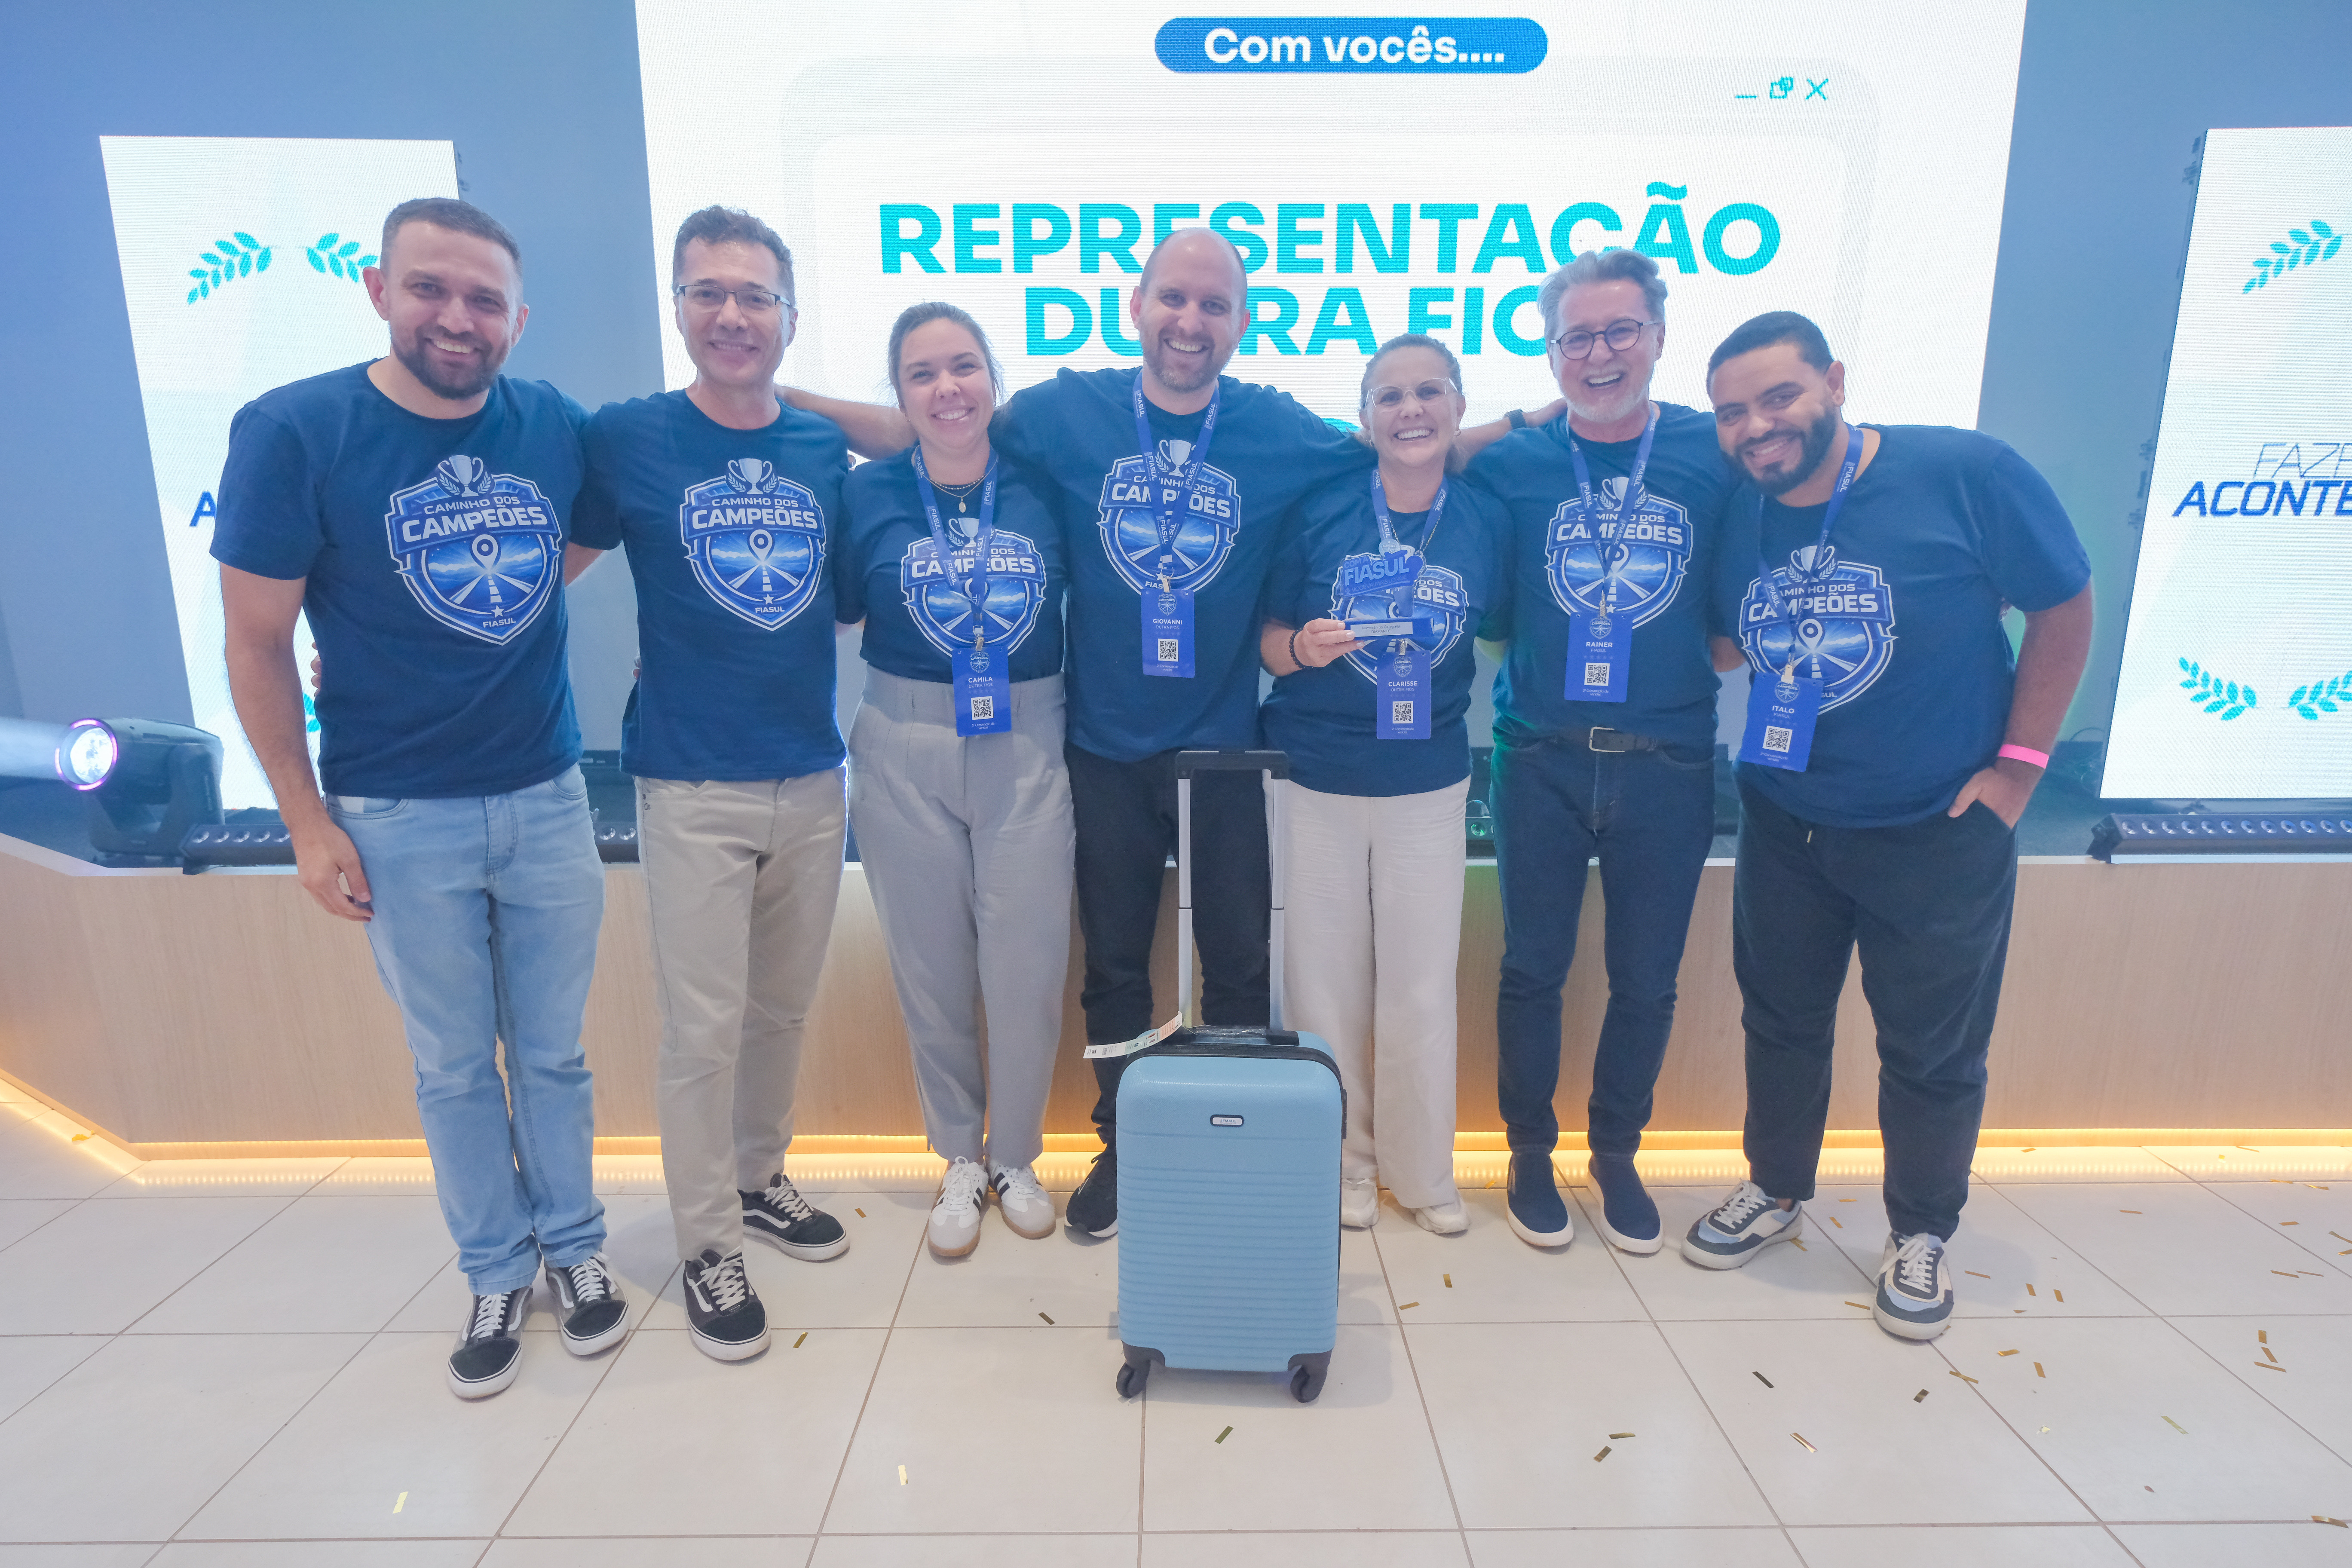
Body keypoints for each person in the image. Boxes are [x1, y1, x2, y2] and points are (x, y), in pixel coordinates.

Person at [791, 229, 1539, 1237]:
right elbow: (935, 425)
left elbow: (1409, 444)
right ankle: (1125, 1146)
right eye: (1173, 299)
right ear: (1136, 306)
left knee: (1238, 966)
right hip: (1099, 747)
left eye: (1214, 305)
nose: (1191, 322)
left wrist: (1531, 419)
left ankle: (1230, 1147)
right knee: (1114, 969)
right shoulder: (1065, 411)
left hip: (1226, 748)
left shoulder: (1277, 426)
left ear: (1242, 322)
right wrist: (782, 401)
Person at [216, 197, 624, 1400]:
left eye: (485, 300)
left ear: (518, 320)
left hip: (546, 794)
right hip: (395, 814)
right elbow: (255, 642)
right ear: (380, 291)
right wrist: (305, 822)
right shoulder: (296, 430)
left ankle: (577, 1250)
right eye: (431, 289)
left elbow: (566, 555)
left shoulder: (552, 424)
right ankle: (496, 1268)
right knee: (451, 1065)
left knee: (552, 1057)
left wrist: (464, 627)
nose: (457, 318)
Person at [1687, 311, 2092, 1341]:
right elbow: (1732, 642)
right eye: (1733, 413)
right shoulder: (1742, 509)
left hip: (1937, 827)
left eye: (1780, 397)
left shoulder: (1964, 473)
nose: (1758, 427)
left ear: (1834, 380)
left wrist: (2019, 771)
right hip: (1787, 817)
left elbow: (2064, 607)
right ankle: (1776, 1188)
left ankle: (1921, 1232)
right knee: (1781, 1021)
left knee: (1933, 1048)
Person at [569, 206, 851, 1364]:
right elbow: (542, 574)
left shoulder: (824, 448)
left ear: (790, 315)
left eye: (755, 296)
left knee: (780, 1010)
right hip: (689, 781)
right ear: (679, 306)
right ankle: (706, 1244)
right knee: (703, 1031)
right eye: (709, 293)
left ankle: (757, 1176)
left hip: (813, 773)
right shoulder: (627, 436)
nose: (732, 315)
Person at [1465, 249, 1741, 1254]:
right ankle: (1529, 1153)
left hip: (1669, 760)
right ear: (1551, 353)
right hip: (1538, 756)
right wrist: (1528, 416)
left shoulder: (1715, 452)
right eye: (1575, 337)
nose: (1600, 354)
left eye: (1621, 330)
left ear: (1659, 336)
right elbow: (1422, 452)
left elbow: (1737, 614)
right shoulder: (1513, 464)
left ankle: (1616, 1152)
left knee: (1647, 979)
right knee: (1531, 968)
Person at [837, 303, 1074, 1259]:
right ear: (899, 395)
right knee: (929, 968)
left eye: (964, 366)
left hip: (1029, 733)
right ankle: (959, 1159)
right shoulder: (865, 494)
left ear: (994, 380)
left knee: (1026, 965)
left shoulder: (1047, 485)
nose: (947, 389)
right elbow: (834, 612)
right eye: (923, 373)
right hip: (902, 735)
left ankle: (1014, 1155)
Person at [1259, 334, 1508, 1235]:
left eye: (1429, 391)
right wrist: (1302, 648)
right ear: (1364, 419)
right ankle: (1345, 1164)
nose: (1411, 410)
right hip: (1313, 777)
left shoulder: (1486, 519)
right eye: (1389, 396)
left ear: (1458, 407)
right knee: (1321, 987)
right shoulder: (1319, 510)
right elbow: (1268, 642)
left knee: (1421, 987)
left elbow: (1505, 630)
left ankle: (1422, 1172)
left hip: (1427, 784)